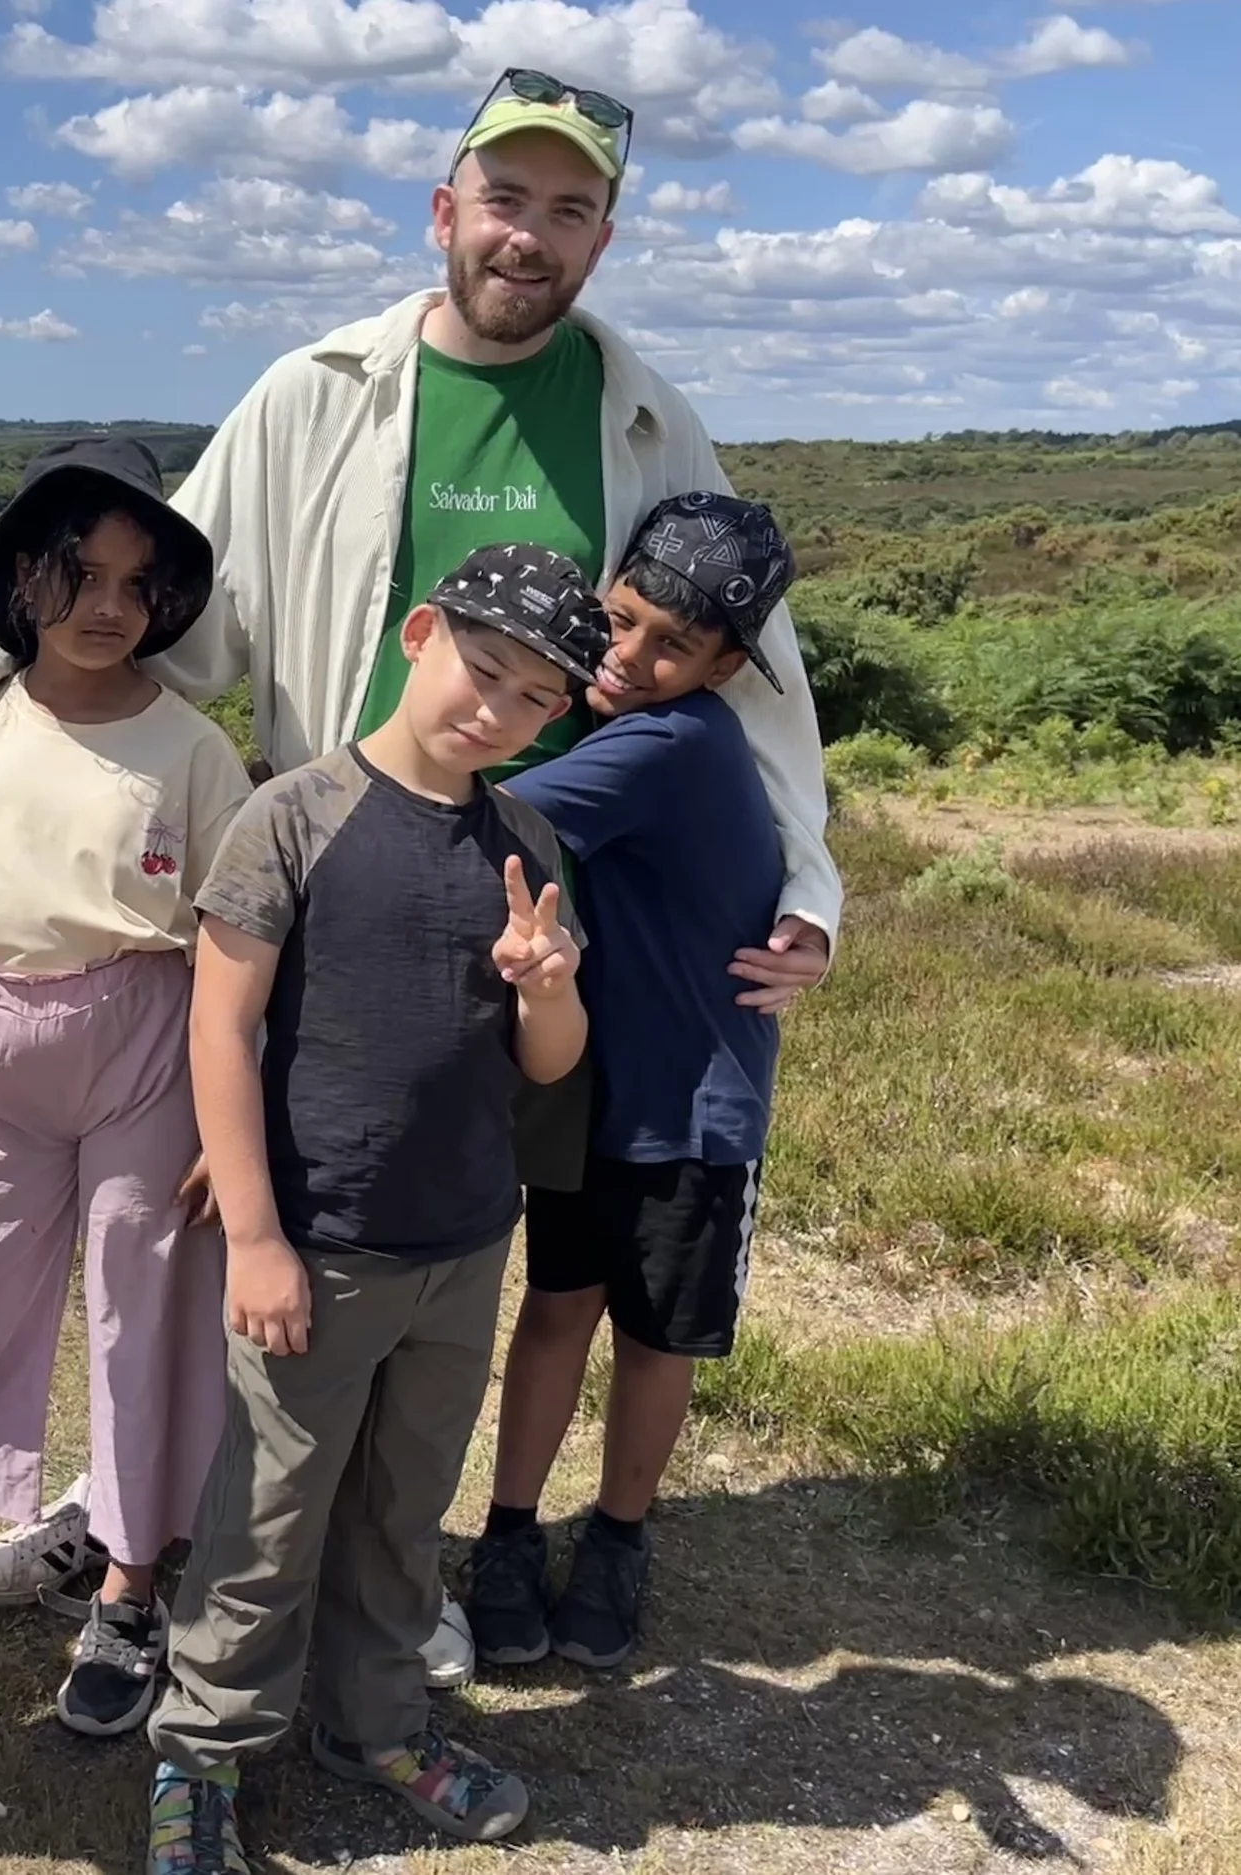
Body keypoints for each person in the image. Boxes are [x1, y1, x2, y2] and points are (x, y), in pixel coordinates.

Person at [0, 65, 840, 1682]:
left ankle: (397, 1559)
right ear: (445, 209)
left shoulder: (643, 411)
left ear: (602, 237)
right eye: (505, 199)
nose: (529, 236)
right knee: (241, 1220)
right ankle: (145, 1508)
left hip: (548, 932)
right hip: (325, 888)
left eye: (568, 210)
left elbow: (760, 669)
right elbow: (152, 593)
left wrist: (808, 885)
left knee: (456, 1238)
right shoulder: (314, 394)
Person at [145, 544, 609, 1871]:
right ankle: (200, 1752)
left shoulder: (527, 841)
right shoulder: (292, 814)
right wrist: (256, 1236)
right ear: (421, 633)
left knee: (406, 1508)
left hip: (464, 1246)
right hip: (319, 1247)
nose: (497, 709)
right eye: (483, 668)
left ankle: (379, 1725)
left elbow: (547, 1061)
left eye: (533, 698)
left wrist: (547, 982)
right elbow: (219, 1031)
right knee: (266, 1519)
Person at [0, 437, 254, 1737]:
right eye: (78, 571)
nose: (106, 604)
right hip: (0, 1049)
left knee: (141, 1313)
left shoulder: (194, 749)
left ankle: (133, 1581)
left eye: (137, 584)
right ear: (25, 575)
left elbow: (230, 943)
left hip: (147, 1040)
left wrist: (228, 1114)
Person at [471, 495, 796, 1672]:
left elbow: (482, 824)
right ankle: (519, 1535)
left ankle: (609, 1537)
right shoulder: (649, 731)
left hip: (692, 1108)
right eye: (622, 621)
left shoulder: (670, 743)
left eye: (673, 646)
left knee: (648, 1335)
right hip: (600, 1091)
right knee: (563, 1308)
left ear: (725, 667)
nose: (631, 656)